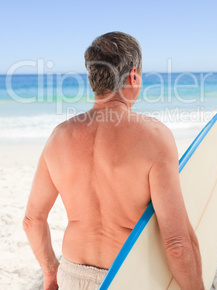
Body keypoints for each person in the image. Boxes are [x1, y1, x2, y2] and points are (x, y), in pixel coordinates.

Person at [23, 31, 204, 290]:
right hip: (128, 277)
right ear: (133, 76)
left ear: (93, 80)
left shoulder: (59, 137)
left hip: (72, 274)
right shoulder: (154, 137)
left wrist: (51, 272)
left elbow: (32, 221)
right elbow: (177, 244)